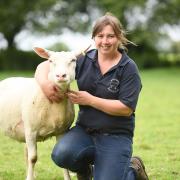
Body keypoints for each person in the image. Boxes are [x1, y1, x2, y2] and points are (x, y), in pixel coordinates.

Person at [35, 12, 149, 180]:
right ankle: (86, 171)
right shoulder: (84, 60)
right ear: (94, 38)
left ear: (119, 38)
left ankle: (133, 169)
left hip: (116, 136)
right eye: (100, 36)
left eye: (110, 36)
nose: (105, 41)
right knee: (62, 154)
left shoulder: (128, 68)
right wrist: (45, 84)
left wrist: (90, 100)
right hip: (85, 131)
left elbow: (126, 109)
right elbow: (45, 65)